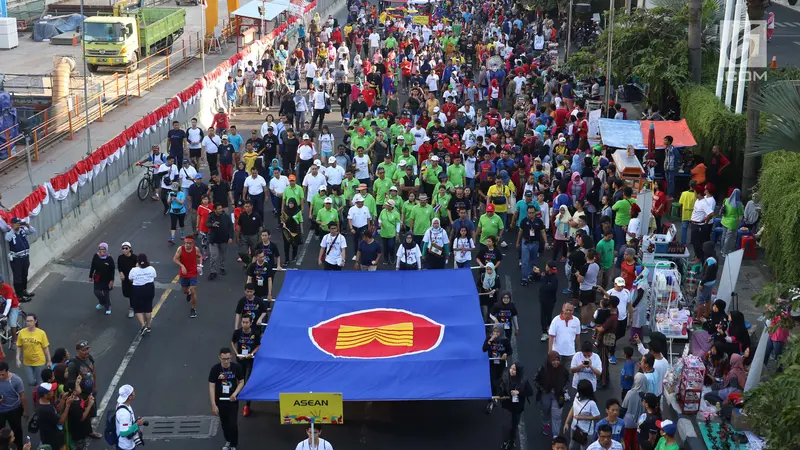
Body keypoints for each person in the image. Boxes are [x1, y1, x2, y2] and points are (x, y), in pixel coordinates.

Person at [208, 348, 244, 450]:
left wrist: (235, 393)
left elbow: (241, 381)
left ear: (231, 357)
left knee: (232, 423)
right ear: (219, 357)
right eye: (223, 359)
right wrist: (213, 404)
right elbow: (211, 386)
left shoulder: (236, 367)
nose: (226, 361)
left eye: (228, 358)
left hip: (232, 400)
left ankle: (234, 444)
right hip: (220, 399)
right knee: (224, 422)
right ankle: (228, 440)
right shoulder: (215, 369)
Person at [534, 352, 569, 438]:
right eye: (553, 360)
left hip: (558, 395)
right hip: (546, 394)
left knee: (557, 415)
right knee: (545, 411)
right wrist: (543, 389)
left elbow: (567, 380)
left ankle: (555, 435)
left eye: (557, 360)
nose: (556, 362)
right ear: (549, 361)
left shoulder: (563, 370)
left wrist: (563, 388)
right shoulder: (543, 369)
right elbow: (535, 380)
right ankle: (546, 424)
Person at [231, 315, 260, 417]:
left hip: (250, 360)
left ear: (251, 323)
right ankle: (236, 395)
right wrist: (236, 353)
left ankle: (247, 405)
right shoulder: (237, 332)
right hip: (240, 359)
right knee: (240, 379)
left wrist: (251, 354)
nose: (244, 324)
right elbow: (233, 342)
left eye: (246, 322)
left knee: (248, 380)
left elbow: (258, 346)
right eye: (243, 322)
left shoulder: (255, 333)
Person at [499, 363, 533, 450]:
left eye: (514, 370)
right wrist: (501, 393)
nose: (511, 371)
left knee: (514, 425)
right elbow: (501, 388)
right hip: (507, 404)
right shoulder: (506, 377)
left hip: (517, 406)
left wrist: (519, 392)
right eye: (511, 368)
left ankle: (512, 440)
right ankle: (505, 440)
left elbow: (530, 392)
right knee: (506, 425)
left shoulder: (524, 380)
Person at [563, 379, 601, 450]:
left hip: (586, 432)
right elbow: (573, 408)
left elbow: (598, 416)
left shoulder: (591, 403)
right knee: (572, 447)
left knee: (583, 448)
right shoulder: (577, 396)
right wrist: (567, 422)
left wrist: (583, 417)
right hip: (575, 427)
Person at [5, 218, 36, 301]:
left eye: (19, 223)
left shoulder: (22, 230)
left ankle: (24, 291)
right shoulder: (10, 233)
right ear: (12, 224)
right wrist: (13, 229)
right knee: (17, 277)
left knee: (24, 275)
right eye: (16, 224)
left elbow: (33, 231)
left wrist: (27, 225)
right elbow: (7, 239)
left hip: (25, 257)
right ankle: (19, 296)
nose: (18, 225)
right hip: (16, 259)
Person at [15, 314, 51, 387]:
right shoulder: (22, 332)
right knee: (31, 382)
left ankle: (39, 395)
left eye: (31, 321)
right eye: (27, 321)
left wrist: (49, 360)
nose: (29, 323)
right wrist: (17, 358)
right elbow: (19, 346)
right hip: (27, 362)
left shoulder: (41, 333)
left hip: (39, 361)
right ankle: (37, 388)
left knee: (39, 382)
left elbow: (45, 348)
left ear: (35, 321)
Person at [483, 323, 511, 414]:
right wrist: (491, 339)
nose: (496, 333)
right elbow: (484, 349)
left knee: (499, 380)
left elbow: (510, 350)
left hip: (501, 364)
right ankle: (491, 399)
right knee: (492, 380)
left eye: (497, 331)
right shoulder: (489, 339)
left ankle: (496, 394)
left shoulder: (505, 340)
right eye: (494, 331)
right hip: (492, 363)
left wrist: (506, 354)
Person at [0, 362, 28, 449]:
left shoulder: (16, 380)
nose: (0, 377)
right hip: (0, 412)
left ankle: (19, 447)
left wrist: (25, 410)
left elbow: (22, 395)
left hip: (14, 410)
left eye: (2, 375)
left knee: (17, 431)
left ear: (7, 371)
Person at [173, 236, 202, 319]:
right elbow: (175, 259)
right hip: (184, 273)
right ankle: (188, 293)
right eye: (186, 243)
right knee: (185, 291)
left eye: (189, 243)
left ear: (193, 244)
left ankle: (193, 309)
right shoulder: (180, 249)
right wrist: (182, 266)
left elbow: (200, 256)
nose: (187, 245)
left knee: (193, 290)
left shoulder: (196, 249)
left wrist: (200, 265)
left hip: (193, 273)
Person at [128, 254, 157, 334]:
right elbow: (154, 277)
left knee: (138, 309)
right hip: (149, 288)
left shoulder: (134, 270)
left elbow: (130, 279)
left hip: (138, 289)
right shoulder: (151, 268)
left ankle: (142, 325)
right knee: (148, 307)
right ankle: (148, 326)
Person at [36, 382, 68, 449]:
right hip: (52, 439)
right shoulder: (45, 410)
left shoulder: (46, 401)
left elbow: (57, 409)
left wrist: (63, 399)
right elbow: (61, 422)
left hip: (54, 435)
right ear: (45, 395)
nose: (53, 391)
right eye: (51, 391)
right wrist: (68, 405)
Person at [549, 303, 582, 369]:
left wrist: (579, 351)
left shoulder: (576, 321)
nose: (569, 312)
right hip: (557, 353)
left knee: (567, 373)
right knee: (556, 372)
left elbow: (577, 336)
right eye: (567, 310)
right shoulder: (556, 320)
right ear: (563, 309)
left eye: (571, 310)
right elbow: (551, 337)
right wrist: (550, 352)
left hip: (570, 353)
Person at [620, 373, 648, 450]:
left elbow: (623, 408)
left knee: (626, 439)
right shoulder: (646, 395)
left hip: (629, 421)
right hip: (641, 421)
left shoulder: (630, 393)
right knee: (636, 441)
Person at [89, 243, 116, 315]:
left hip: (107, 279)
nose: (101, 251)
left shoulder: (109, 258)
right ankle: (102, 302)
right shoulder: (96, 256)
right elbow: (93, 266)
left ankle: (107, 307)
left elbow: (112, 270)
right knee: (96, 292)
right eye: (100, 249)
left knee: (106, 293)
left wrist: (112, 280)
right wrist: (90, 276)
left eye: (103, 249)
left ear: (106, 250)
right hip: (97, 278)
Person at [115, 384, 143, 450]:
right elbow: (123, 433)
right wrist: (137, 424)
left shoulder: (122, 404)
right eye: (133, 392)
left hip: (124, 444)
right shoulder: (124, 414)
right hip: (126, 446)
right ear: (130, 397)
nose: (134, 392)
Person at [117, 242, 137, 319]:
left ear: (130, 249)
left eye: (126, 248)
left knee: (132, 294)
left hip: (133, 279)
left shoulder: (135, 257)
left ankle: (132, 308)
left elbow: (137, 267)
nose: (124, 250)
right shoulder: (120, 258)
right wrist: (121, 273)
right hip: (125, 279)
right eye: (123, 248)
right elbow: (119, 267)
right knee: (126, 293)